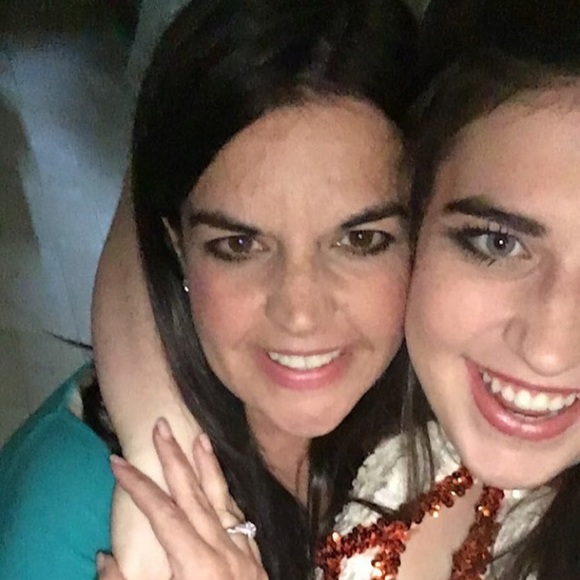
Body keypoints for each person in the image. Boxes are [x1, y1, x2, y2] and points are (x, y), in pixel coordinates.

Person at [97, 1, 580, 579]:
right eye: (497, 243)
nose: (548, 351)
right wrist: (159, 448)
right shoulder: (429, 423)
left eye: (360, 239)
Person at [0, 1, 419, 578]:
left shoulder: (464, 428)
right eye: (240, 245)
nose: (300, 312)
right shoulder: (69, 521)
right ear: (177, 246)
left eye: (361, 240)